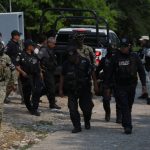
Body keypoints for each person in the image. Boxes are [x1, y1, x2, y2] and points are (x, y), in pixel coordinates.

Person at [106, 39, 146, 134]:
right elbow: (109, 73)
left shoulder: (134, 56)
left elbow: (141, 71)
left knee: (129, 105)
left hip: (131, 85)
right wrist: (107, 87)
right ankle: (128, 126)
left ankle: (125, 121)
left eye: (125, 46)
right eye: (122, 46)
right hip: (119, 85)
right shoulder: (115, 57)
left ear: (129, 46)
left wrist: (144, 85)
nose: (123, 48)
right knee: (124, 105)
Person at [59, 46, 98, 133]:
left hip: (85, 89)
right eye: (69, 57)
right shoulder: (66, 64)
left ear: (76, 54)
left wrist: (95, 85)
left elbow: (92, 73)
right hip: (72, 89)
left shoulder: (85, 61)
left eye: (72, 56)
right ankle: (77, 126)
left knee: (87, 109)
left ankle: (87, 121)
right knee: (72, 109)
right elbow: (62, 76)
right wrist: (60, 89)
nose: (70, 58)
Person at [16, 40, 42, 116]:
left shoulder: (34, 54)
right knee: (27, 94)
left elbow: (38, 63)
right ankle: (30, 107)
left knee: (37, 91)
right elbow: (17, 65)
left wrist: (40, 73)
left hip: (36, 75)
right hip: (26, 76)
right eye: (32, 45)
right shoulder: (21, 54)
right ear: (28, 46)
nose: (33, 47)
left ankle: (34, 109)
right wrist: (22, 72)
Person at [96, 47, 122, 123]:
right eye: (111, 51)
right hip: (107, 82)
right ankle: (107, 112)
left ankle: (119, 117)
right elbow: (98, 70)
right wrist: (96, 80)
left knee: (119, 100)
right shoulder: (104, 60)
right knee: (106, 100)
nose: (113, 53)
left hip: (118, 82)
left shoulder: (119, 59)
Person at [38, 36, 61, 110]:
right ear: (49, 43)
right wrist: (40, 69)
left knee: (47, 88)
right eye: (54, 43)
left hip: (51, 71)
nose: (55, 45)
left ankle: (36, 96)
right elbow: (37, 59)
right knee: (51, 88)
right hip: (46, 71)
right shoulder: (44, 50)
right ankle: (52, 104)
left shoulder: (52, 50)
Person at [4, 30, 22, 103]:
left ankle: (24, 99)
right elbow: (5, 55)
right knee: (11, 84)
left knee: (21, 83)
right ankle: (4, 97)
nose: (19, 37)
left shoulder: (17, 44)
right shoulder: (10, 44)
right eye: (18, 35)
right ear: (14, 36)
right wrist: (9, 65)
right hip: (12, 67)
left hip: (18, 66)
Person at [0, 42, 12, 129]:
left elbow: (12, 69)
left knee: (0, 104)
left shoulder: (6, 57)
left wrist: (13, 82)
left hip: (1, 84)